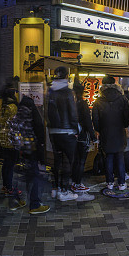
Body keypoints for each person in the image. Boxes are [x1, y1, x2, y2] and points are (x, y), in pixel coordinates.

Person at [10, 91, 50, 215]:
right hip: (32, 149)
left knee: (21, 175)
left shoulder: (17, 114)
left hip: (20, 150)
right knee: (35, 175)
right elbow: (39, 131)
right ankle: (35, 204)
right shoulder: (32, 113)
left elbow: (12, 131)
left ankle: (17, 201)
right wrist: (41, 148)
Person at [47, 67, 80, 202]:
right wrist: (76, 129)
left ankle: (56, 188)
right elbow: (73, 113)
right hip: (67, 132)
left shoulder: (50, 91)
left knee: (57, 160)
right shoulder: (67, 92)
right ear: (66, 76)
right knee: (68, 161)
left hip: (53, 132)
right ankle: (65, 190)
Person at [93, 76, 129, 191]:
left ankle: (109, 182)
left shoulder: (98, 100)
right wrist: (124, 125)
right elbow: (128, 115)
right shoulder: (122, 98)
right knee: (120, 157)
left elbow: (95, 119)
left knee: (108, 157)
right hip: (119, 132)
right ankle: (121, 183)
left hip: (106, 133)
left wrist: (100, 129)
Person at [0, 79, 22, 199]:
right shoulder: (12, 107)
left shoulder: (0, 105)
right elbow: (16, 124)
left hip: (2, 136)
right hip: (12, 138)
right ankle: (10, 188)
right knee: (10, 164)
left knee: (6, 163)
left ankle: (5, 186)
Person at [70, 81, 96, 200]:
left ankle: (74, 182)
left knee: (76, 160)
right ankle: (77, 184)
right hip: (82, 135)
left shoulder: (72, 103)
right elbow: (88, 122)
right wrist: (93, 137)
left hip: (73, 135)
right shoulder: (83, 104)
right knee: (81, 161)